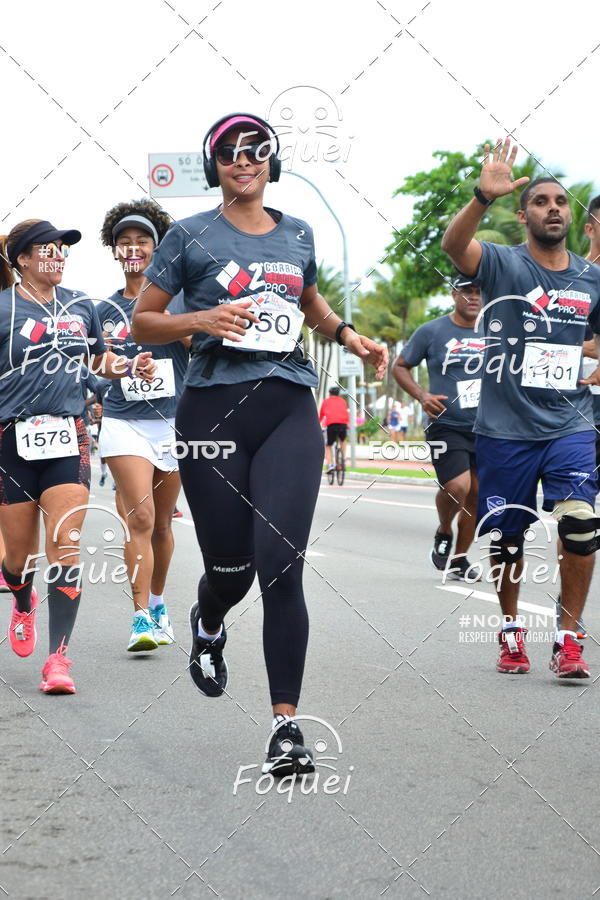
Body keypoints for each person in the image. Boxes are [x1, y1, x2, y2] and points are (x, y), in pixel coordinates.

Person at [132, 113, 387, 773]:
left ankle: (285, 728)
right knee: (231, 571)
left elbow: (309, 302)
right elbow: (143, 323)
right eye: (228, 153)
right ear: (213, 165)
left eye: (255, 151)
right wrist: (201, 318)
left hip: (287, 407)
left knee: (280, 563)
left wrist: (348, 335)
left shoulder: (298, 231)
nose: (242, 161)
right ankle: (208, 622)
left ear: (271, 162)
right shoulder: (188, 235)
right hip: (212, 415)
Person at [441, 139, 600, 678]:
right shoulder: (503, 262)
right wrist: (481, 197)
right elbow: (453, 245)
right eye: (540, 201)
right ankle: (511, 630)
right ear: (523, 214)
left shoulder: (591, 278)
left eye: (560, 202)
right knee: (508, 537)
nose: (553, 208)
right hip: (504, 428)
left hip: (570, 422)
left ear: (570, 217)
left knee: (581, 526)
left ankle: (568, 638)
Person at [0, 218, 155, 693]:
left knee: (65, 544)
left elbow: (98, 361)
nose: (58, 256)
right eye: (47, 249)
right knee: (17, 558)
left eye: (62, 249)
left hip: (69, 436)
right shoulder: (3, 308)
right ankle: (22, 599)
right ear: (22, 259)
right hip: (11, 440)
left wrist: (129, 365)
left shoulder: (81, 305)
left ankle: (58, 660)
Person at [97, 200, 190, 652]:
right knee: (141, 518)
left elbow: (200, 343)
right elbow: (97, 364)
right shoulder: (103, 309)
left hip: (172, 422)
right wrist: (126, 365)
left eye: (142, 241)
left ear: (156, 249)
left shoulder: (179, 299)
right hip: (124, 421)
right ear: (115, 251)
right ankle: (139, 619)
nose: (132, 248)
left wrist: (171, 324)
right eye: (124, 242)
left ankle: (157, 602)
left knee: (162, 526)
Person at [393, 276, 484, 580]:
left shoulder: (496, 329)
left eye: (478, 291)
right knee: (458, 487)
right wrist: (422, 396)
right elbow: (400, 365)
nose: (473, 297)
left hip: (489, 427)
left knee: (477, 496)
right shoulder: (432, 331)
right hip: (447, 425)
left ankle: (459, 559)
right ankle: (445, 528)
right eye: (466, 291)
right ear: (454, 294)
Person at [319, 386, 350, 471]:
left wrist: (318, 424)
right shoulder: (343, 401)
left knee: (328, 445)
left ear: (329, 394)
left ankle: (330, 465)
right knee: (343, 440)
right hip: (343, 424)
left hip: (331, 425)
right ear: (338, 394)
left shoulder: (326, 401)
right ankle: (343, 459)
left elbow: (321, 415)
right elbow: (346, 413)